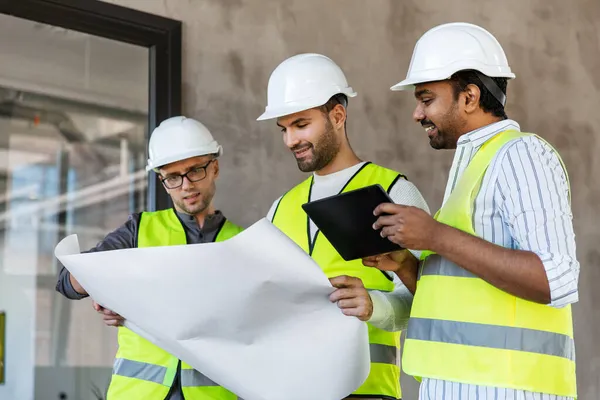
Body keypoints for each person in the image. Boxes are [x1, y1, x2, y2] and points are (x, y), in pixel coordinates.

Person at [370, 22, 579, 399]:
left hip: (507, 388)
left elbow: (556, 278)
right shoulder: (473, 168)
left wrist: (434, 236)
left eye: (426, 99)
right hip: (458, 385)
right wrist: (403, 264)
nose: (417, 114)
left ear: (469, 96)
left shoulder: (522, 155)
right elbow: (458, 304)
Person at [257, 53, 430, 400]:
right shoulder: (279, 209)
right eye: (284, 129)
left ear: (337, 115)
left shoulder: (395, 192)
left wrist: (373, 306)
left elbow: (430, 300)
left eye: (301, 124)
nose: (291, 140)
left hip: (367, 391)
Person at [55, 116, 244, 400]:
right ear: (162, 181)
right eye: (173, 177)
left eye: (195, 171)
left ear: (214, 167)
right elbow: (67, 283)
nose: (186, 185)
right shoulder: (138, 230)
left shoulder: (244, 244)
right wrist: (105, 291)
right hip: (138, 393)